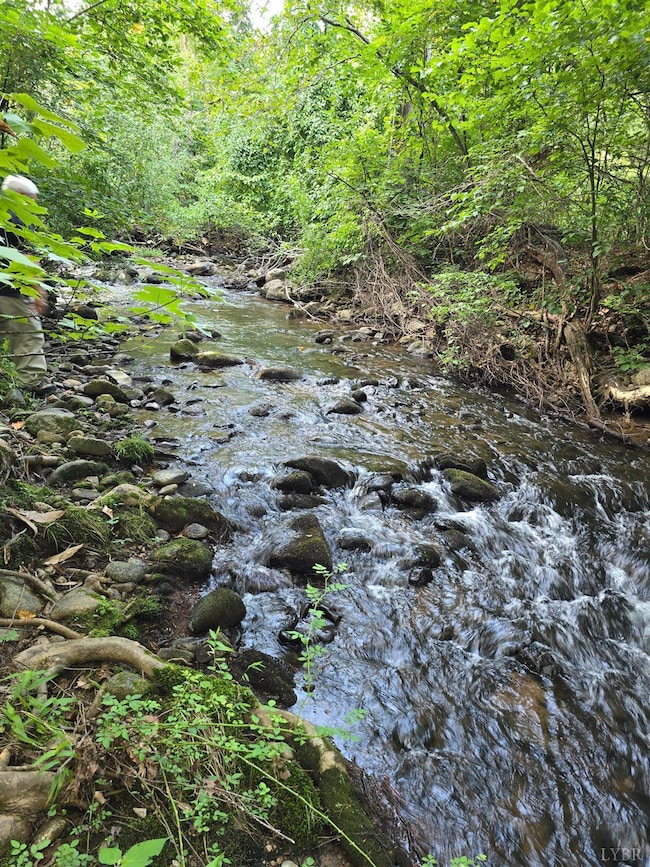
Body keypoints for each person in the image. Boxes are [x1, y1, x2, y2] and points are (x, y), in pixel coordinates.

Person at [0, 174, 53, 396]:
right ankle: (30, 385)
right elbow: (28, 258)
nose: (35, 204)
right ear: (20, 196)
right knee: (28, 334)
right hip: (13, 289)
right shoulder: (17, 218)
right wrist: (38, 293)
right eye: (33, 198)